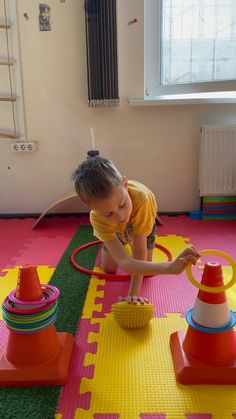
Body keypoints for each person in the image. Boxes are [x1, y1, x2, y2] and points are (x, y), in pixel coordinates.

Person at [72, 156, 199, 304]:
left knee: (146, 266)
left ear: (125, 184)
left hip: (141, 225)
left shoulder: (141, 200)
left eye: (122, 204)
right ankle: (110, 242)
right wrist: (170, 267)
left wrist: (134, 291)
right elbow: (126, 262)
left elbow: (138, 252)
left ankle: (114, 242)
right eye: (108, 213)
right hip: (115, 231)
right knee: (108, 269)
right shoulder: (96, 219)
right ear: (91, 207)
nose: (120, 216)